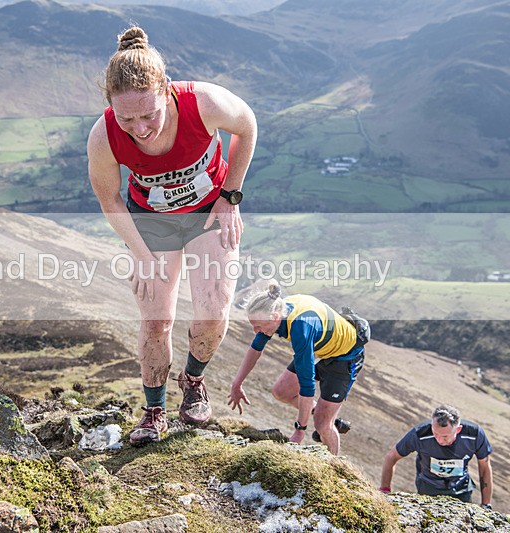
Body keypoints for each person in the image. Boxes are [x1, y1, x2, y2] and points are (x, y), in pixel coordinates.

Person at [87, 26, 257, 445]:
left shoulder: (203, 102)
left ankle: (193, 381)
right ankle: (153, 410)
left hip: (208, 211)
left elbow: (247, 125)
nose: (140, 128)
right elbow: (110, 200)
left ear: (166, 91)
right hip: (151, 221)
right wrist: (141, 254)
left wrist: (231, 197)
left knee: (214, 313)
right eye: (126, 118)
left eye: (149, 114)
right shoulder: (103, 137)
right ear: (111, 106)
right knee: (156, 321)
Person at [228, 281, 367, 455]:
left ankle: (335, 464)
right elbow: (256, 348)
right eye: (253, 325)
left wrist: (299, 430)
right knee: (281, 391)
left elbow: (307, 387)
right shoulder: (273, 308)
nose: (256, 331)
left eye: (259, 326)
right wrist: (237, 384)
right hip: (322, 349)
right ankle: (324, 415)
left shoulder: (300, 329)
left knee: (322, 425)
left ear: (276, 318)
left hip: (346, 356)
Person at [379, 404, 493, 508]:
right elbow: (391, 457)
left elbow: (484, 467)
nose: (439, 440)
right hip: (428, 488)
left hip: (461, 490)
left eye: (445, 436)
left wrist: (486, 504)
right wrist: (385, 490)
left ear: (458, 430)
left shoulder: (474, 435)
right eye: (435, 433)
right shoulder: (420, 434)